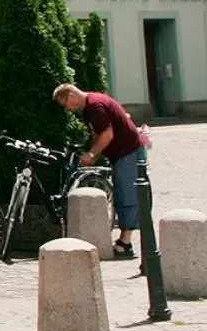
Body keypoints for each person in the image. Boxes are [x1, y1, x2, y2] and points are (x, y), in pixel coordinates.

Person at [55, 82, 146, 258]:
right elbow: (98, 134)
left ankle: (125, 243)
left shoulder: (95, 106)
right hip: (123, 153)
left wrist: (91, 154)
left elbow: (107, 134)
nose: (67, 109)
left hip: (129, 151)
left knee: (128, 194)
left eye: (65, 104)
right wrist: (94, 154)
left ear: (72, 96)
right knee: (122, 192)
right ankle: (125, 240)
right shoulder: (90, 106)